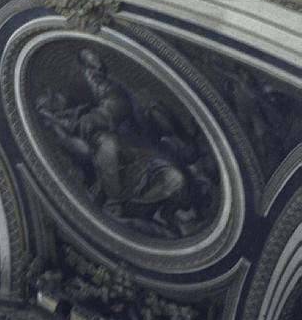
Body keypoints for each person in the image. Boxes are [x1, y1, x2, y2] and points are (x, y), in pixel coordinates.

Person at [36, 48, 202, 237]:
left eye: (98, 64)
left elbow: (116, 109)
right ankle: (116, 200)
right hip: (106, 145)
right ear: (84, 68)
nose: (96, 68)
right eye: (90, 64)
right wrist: (55, 109)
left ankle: (160, 211)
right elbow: (67, 106)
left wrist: (88, 120)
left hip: (136, 149)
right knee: (109, 147)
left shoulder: (113, 89)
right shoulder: (79, 91)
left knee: (175, 178)